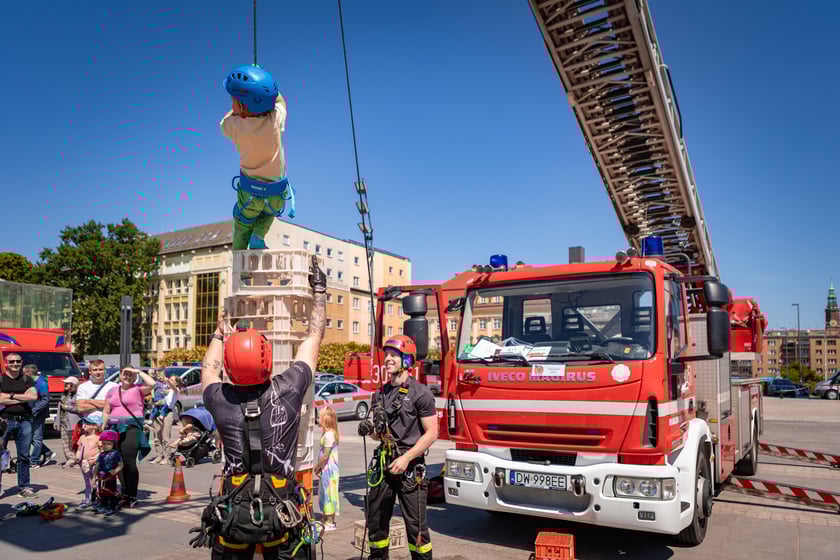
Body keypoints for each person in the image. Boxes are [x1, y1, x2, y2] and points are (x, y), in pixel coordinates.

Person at [189, 255, 326, 560]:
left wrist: (219, 332)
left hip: (235, 515)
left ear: (229, 365)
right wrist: (319, 292)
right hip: (282, 514)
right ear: (266, 359)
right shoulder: (288, 389)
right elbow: (313, 337)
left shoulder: (220, 399)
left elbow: (208, 370)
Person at [361, 336, 438, 560]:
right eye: (386, 355)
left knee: (416, 529)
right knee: (376, 524)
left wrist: (407, 458)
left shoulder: (420, 393)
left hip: (410, 469)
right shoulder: (380, 394)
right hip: (384, 466)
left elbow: (432, 432)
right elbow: (379, 435)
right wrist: (371, 429)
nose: (387, 359)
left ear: (407, 359)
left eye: (393, 355)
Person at [222, 64, 295, 250]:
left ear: (240, 106)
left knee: (242, 222)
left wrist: (237, 110)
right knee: (268, 214)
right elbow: (281, 102)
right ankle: (258, 235)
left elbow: (223, 122)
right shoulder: (275, 120)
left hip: (250, 193)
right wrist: (264, 82)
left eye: (233, 101)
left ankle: (239, 259)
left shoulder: (234, 125)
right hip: (275, 193)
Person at [102, 367, 155, 508]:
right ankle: (123, 493)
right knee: (115, 460)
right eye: (125, 374)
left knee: (128, 461)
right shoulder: (112, 390)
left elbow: (152, 384)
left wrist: (138, 371)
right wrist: (103, 426)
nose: (127, 377)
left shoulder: (138, 389)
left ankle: (132, 495)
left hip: (131, 427)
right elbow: (107, 411)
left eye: (131, 375)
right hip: (113, 428)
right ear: (120, 375)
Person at [0, 353, 39, 497]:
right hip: (4, 421)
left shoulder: (26, 379)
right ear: (6, 362)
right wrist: (22, 397)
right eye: (11, 361)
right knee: (0, 454)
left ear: (21, 362)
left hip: (25, 420)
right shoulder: (1, 378)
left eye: (17, 361)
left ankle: (24, 487)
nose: (15, 364)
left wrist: (8, 396)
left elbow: (33, 396)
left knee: (24, 456)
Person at [314, 406, 340, 532]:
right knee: (324, 493)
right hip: (326, 469)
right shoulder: (327, 433)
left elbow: (325, 456)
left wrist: (317, 466)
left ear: (325, 420)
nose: (317, 419)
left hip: (329, 470)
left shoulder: (329, 435)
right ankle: (325, 518)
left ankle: (330, 521)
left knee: (329, 494)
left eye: (319, 417)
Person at [26, 364, 56, 468]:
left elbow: (45, 400)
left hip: (38, 415)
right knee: (29, 438)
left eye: (25, 373)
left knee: (36, 438)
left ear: (30, 373)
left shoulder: (41, 383)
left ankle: (34, 461)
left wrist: (34, 410)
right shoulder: (33, 382)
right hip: (32, 414)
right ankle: (47, 452)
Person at [149, 372, 181, 464]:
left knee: (165, 437)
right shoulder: (164, 388)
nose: (169, 381)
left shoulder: (176, 390)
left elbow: (173, 388)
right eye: (169, 379)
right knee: (156, 436)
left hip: (167, 414)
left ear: (176, 383)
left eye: (172, 380)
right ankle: (159, 456)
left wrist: (167, 380)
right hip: (158, 412)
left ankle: (166, 457)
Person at [76, 411, 103, 509]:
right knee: (87, 481)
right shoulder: (82, 437)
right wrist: (77, 457)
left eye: (88, 423)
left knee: (95, 481)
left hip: (95, 463)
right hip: (84, 463)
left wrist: (96, 457)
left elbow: (102, 451)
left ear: (95, 426)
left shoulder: (98, 438)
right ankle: (88, 499)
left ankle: (97, 499)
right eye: (84, 422)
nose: (84, 425)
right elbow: (79, 449)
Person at [94, 430, 123, 518]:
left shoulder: (115, 454)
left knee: (111, 493)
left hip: (110, 478)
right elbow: (97, 465)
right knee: (102, 492)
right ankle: (103, 506)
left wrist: (115, 471)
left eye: (108, 444)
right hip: (101, 478)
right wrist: (93, 476)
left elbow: (121, 465)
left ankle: (112, 507)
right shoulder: (101, 454)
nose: (105, 446)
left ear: (113, 444)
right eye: (104, 444)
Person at [57, 376, 81, 468]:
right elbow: (59, 408)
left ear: (73, 385)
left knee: (74, 441)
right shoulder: (63, 395)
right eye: (65, 383)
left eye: (68, 383)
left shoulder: (78, 395)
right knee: (65, 442)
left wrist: (68, 408)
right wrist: (56, 421)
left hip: (74, 422)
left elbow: (80, 409)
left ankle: (76, 460)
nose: (65, 385)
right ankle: (70, 459)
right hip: (63, 421)